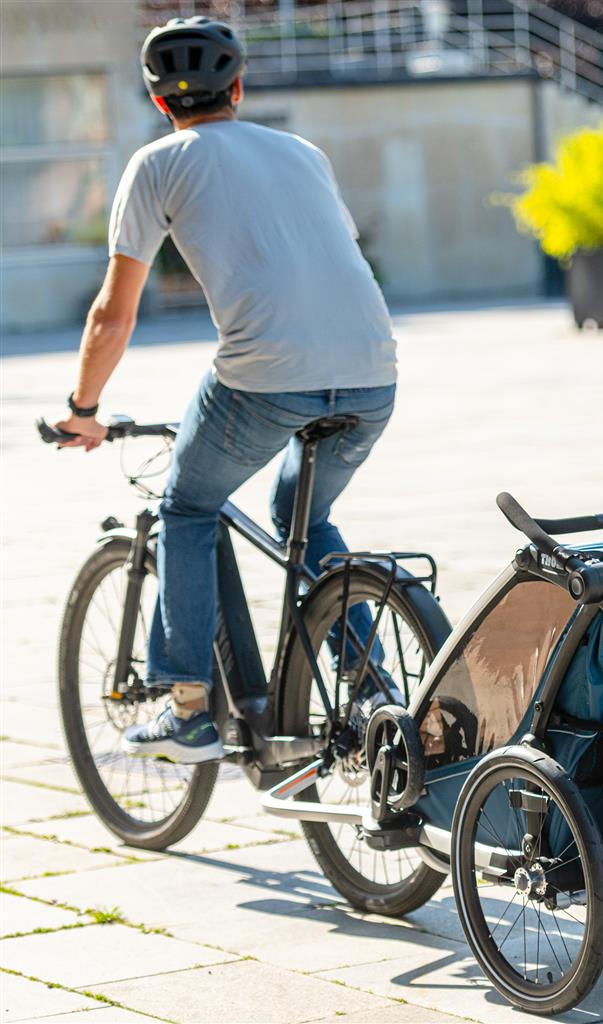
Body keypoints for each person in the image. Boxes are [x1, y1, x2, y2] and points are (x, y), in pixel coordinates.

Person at [55, 17, 398, 763]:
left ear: (158, 103)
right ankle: (371, 687)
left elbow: (113, 315)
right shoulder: (302, 152)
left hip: (266, 378)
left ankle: (186, 709)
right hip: (375, 374)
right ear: (238, 88)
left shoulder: (157, 164)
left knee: (187, 505)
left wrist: (83, 411)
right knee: (303, 513)